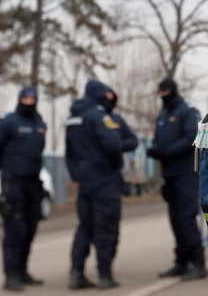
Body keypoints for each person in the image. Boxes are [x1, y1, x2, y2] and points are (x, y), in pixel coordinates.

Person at [0, 86, 47, 292]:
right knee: (14, 229)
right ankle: (10, 275)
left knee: (30, 228)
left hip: (33, 182)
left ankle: (22, 270)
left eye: (32, 98)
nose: (29, 101)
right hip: (13, 182)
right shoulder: (8, 122)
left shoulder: (39, 123)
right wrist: (5, 165)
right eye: (25, 98)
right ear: (19, 100)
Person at [65, 79, 128, 290]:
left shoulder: (73, 119)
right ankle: (105, 274)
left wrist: (76, 175)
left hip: (85, 182)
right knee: (106, 227)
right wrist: (116, 163)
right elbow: (112, 143)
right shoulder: (100, 115)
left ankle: (76, 274)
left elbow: (69, 154)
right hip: (104, 181)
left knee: (85, 227)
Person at [148, 78, 207, 281]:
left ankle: (199, 264)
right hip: (170, 176)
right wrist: (155, 150)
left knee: (186, 219)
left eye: (166, 93)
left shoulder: (186, 111)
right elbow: (158, 140)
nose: (163, 96)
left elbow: (192, 137)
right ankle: (181, 263)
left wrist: (166, 151)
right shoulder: (163, 115)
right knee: (175, 221)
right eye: (160, 93)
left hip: (186, 175)